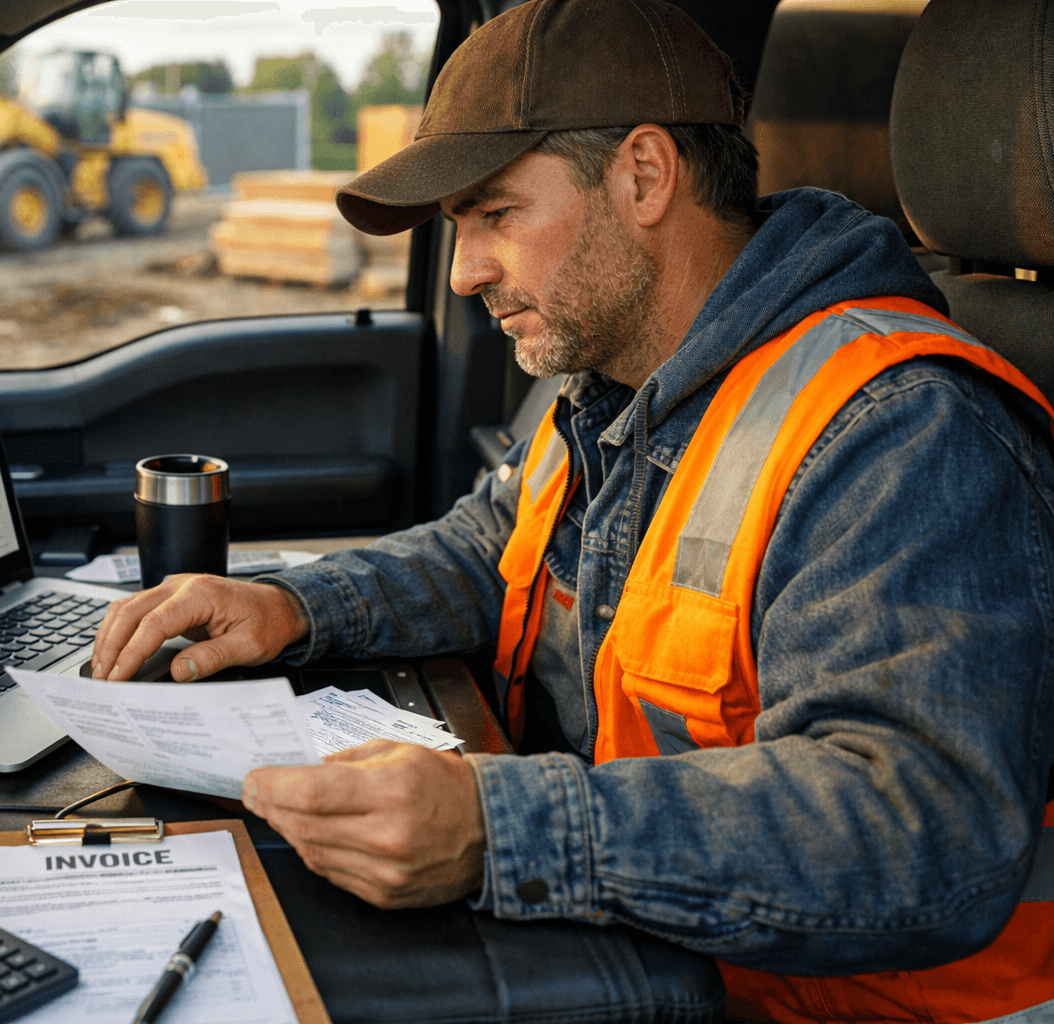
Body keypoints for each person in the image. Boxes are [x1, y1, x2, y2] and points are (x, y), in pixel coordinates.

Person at [90, 0, 1054, 1018]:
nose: (464, 272)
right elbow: (494, 546)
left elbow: (915, 825)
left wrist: (497, 831)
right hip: (654, 965)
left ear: (644, 176)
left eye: (496, 214)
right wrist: (294, 607)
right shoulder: (617, 380)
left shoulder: (897, 429)